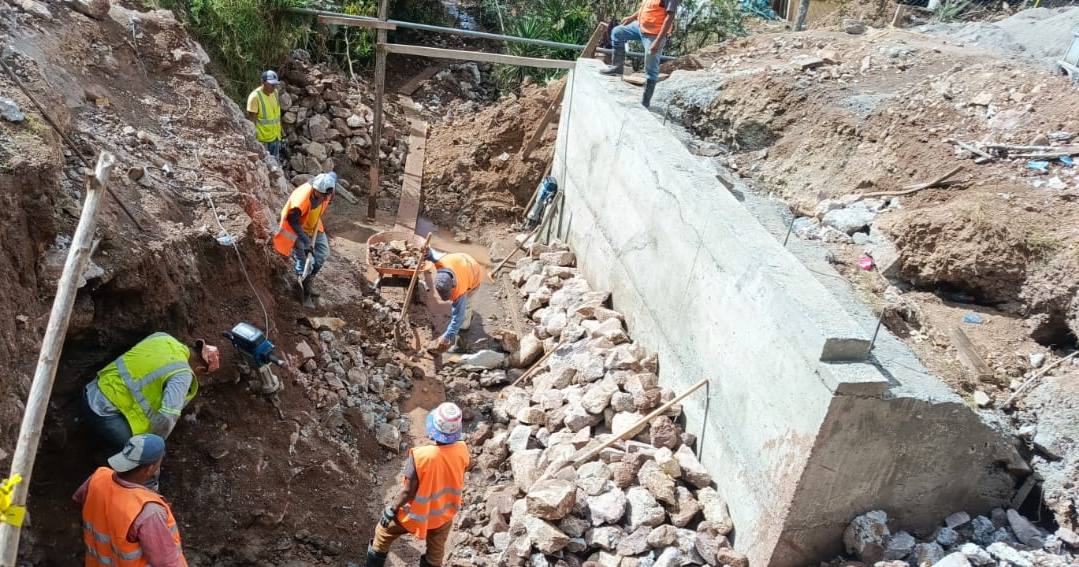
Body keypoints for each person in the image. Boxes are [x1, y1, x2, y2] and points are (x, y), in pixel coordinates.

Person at [366, 403, 469, 567]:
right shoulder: (462, 449)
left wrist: (391, 509)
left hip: (415, 515)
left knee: (383, 533)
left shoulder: (421, 456)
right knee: (435, 556)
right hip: (443, 515)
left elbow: (408, 492)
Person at [83, 333, 219, 454]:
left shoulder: (162, 337)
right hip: (105, 413)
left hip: (92, 390)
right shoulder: (183, 374)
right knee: (147, 459)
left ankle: (105, 452)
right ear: (200, 369)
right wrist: (154, 448)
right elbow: (167, 416)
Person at [74, 434, 188, 566]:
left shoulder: (98, 477)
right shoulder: (149, 511)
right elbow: (166, 562)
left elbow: (78, 501)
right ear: (149, 469)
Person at [271, 172, 337, 305]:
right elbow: (292, 221)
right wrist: (306, 241)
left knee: (323, 254)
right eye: (323, 195)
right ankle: (302, 288)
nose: (325, 198)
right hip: (296, 229)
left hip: (314, 226)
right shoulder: (301, 198)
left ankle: (308, 281)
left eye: (327, 196)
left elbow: (333, 176)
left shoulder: (327, 190)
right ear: (315, 189)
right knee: (305, 260)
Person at [599, 0, 679, 108]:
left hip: (654, 35)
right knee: (617, 32)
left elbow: (670, 17)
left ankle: (645, 102)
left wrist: (657, 42)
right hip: (640, 27)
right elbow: (646, 8)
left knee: (651, 67)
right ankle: (617, 67)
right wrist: (632, 17)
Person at [426, 250, 484, 353]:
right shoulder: (441, 262)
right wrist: (427, 253)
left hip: (474, 272)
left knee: (464, 311)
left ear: (453, 285)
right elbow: (431, 254)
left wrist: (447, 337)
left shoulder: (459, 290)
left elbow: (458, 317)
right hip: (461, 261)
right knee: (459, 308)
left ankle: (464, 330)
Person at [247, 70, 283, 160]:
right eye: (271, 84)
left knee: (275, 163)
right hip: (263, 141)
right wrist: (254, 141)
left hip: (276, 137)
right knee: (266, 163)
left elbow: (276, 115)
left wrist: (281, 132)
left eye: (275, 84)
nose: (274, 87)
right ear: (263, 82)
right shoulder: (255, 97)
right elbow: (251, 121)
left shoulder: (275, 93)